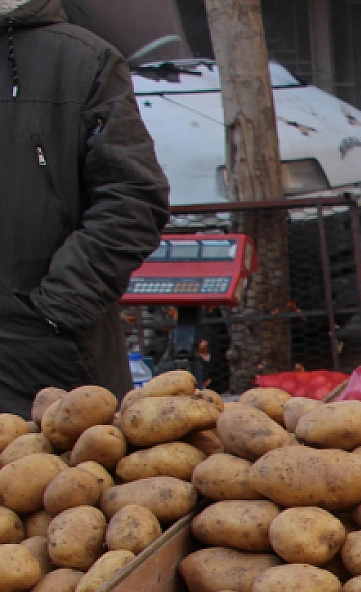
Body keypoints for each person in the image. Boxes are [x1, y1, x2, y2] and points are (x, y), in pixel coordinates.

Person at [0, 0, 170, 418]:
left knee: (61, 480)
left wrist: (54, 313)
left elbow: (132, 197)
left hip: (44, 358)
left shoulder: (80, 59)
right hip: (43, 340)